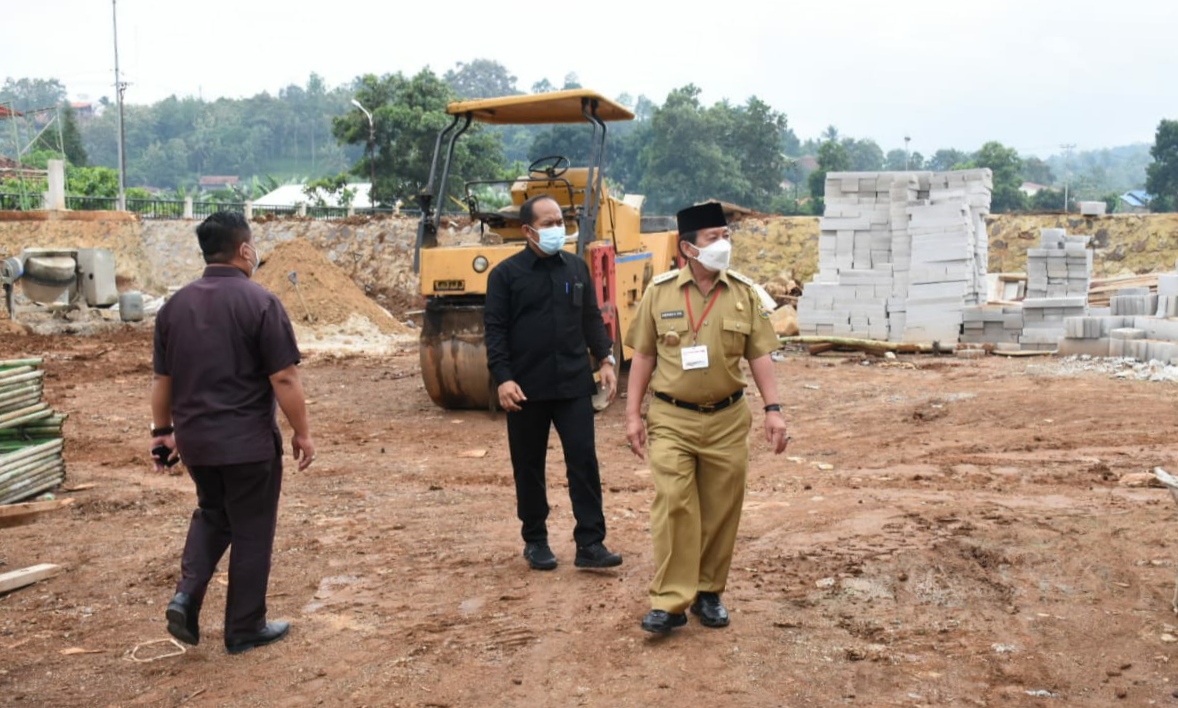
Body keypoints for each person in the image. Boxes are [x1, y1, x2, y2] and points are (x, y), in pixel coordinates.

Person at [150, 211, 316, 654]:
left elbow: (162, 382)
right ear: (245, 250)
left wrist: (161, 433)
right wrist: (303, 433)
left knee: (212, 513)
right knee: (251, 529)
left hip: (197, 444)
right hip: (248, 444)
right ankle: (245, 627)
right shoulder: (261, 303)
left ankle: (186, 596)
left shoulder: (174, 307)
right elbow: (284, 378)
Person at [624, 201, 789, 634]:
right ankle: (671, 601)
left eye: (726, 235)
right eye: (713, 238)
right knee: (675, 505)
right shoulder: (659, 293)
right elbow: (642, 356)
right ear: (688, 248)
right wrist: (632, 416)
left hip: (728, 419)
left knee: (720, 508)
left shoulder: (743, 293)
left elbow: (760, 355)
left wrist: (773, 410)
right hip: (672, 419)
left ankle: (709, 591)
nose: (724, 244)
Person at [484, 194, 623, 571]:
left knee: (583, 461)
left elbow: (592, 318)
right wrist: (503, 378)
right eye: (547, 224)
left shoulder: (576, 269)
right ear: (528, 230)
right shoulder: (505, 276)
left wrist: (606, 359)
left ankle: (590, 543)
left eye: (559, 221)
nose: (556, 229)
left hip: (573, 385)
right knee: (528, 465)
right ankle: (536, 540)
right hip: (525, 389)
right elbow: (494, 332)